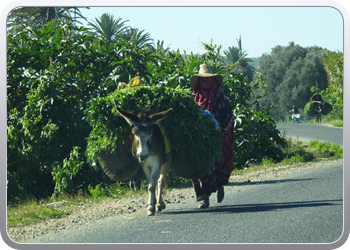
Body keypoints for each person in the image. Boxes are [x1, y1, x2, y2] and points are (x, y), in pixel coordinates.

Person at [190, 64, 235, 208]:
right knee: (200, 165)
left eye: (208, 80)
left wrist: (223, 130)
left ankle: (219, 185)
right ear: (199, 81)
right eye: (203, 80)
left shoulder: (220, 96)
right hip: (200, 137)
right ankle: (204, 196)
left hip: (218, 134)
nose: (206, 83)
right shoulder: (194, 97)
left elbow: (228, 115)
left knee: (218, 162)